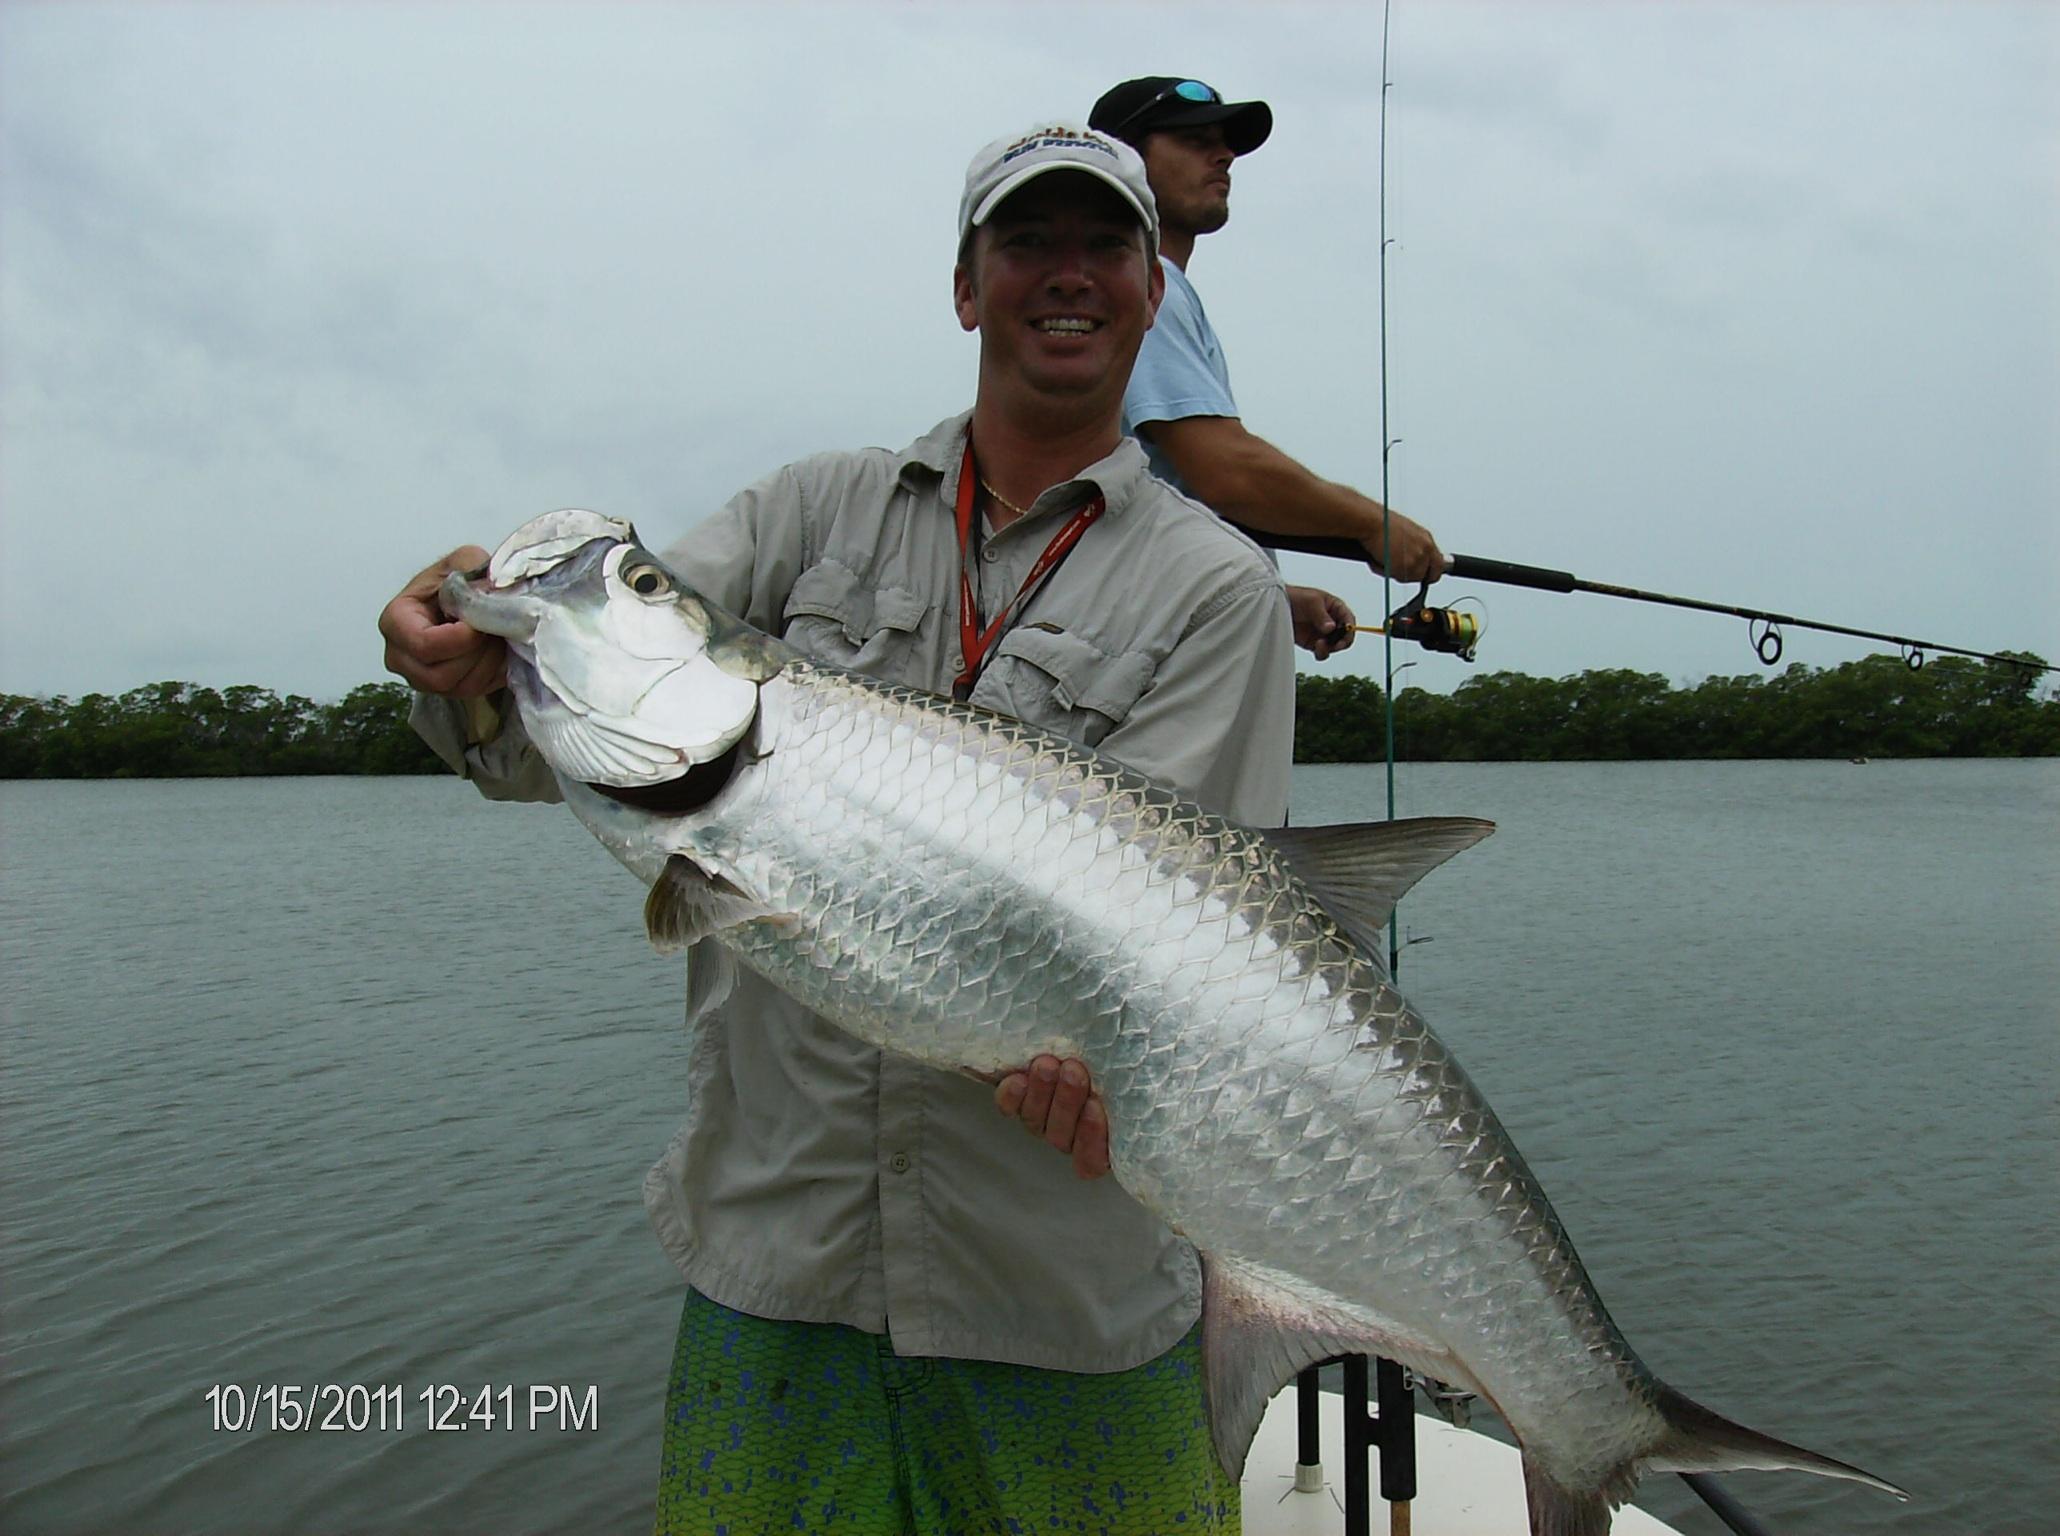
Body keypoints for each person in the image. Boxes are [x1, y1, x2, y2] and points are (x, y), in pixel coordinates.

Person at [379, 122, 1291, 1534]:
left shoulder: (1218, 593)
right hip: (777, 1268)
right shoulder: (813, 510)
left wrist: (1125, 1069)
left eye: (1103, 247)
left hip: (1065, 1303)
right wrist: (468, 661)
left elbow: (1185, 946)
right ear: (964, 287)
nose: (1068, 277)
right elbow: (562, 726)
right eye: (1026, 246)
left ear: (1150, 290)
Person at [1088, 76, 1446, 661]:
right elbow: (1227, 473)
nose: (1224, 154)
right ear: (1124, 158)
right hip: (1144, 659)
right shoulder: (1141, 289)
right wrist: (1372, 523)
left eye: (1224, 143)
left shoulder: (1157, 290)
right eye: (1195, 139)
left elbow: (1161, 506)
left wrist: (1270, 596)